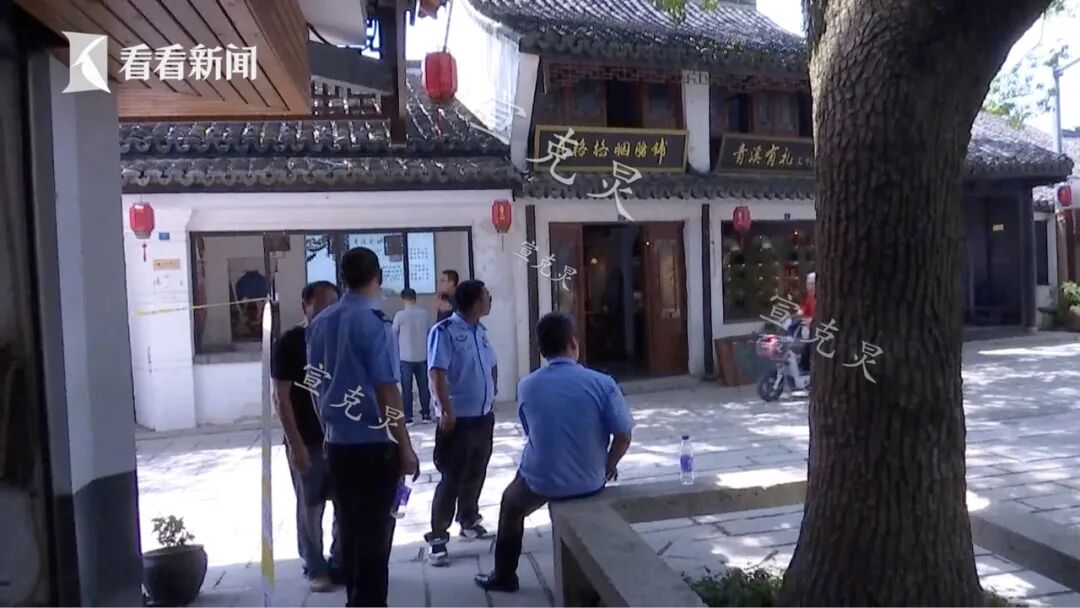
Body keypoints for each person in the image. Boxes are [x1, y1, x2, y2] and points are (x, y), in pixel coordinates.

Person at [475, 312, 633, 592]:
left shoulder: (527, 386)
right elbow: (623, 436)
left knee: (511, 505)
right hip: (589, 480)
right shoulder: (603, 383)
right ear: (573, 343)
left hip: (541, 480)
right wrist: (608, 466)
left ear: (542, 349)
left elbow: (531, 432)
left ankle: (504, 576)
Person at [306, 247, 420, 607]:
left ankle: (355, 599)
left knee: (350, 528)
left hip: (338, 445)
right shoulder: (374, 323)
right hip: (373, 446)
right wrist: (405, 447)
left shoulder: (320, 323)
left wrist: (327, 431)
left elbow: (314, 385)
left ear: (342, 279)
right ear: (378, 277)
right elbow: (387, 390)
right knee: (374, 535)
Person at [272, 281, 342, 592]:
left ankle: (340, 561)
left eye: (334, 305)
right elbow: (281, 398)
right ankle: (315, 566)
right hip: (308, 439)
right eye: (323, 305)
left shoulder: (341, 340)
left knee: (345, 503)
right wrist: (295, 443)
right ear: (306, 306)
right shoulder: (289, 344)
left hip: (340, 438)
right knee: (310, 507)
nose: (329, 311)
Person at [424, 279, 498, 566]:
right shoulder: (445, 332)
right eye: (486, 296)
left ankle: (468, 520)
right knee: (452, 477)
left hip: (483, 416)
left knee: (477, 470)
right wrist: (445, 411)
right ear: (474, 302)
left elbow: (491, 364)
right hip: (458, 419)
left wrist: (492, 393)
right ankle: (438, 538)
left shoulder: (481, 331)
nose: (490, 300)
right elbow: (437, 373)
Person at [392, 288, 433, 424]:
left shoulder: (400, 315)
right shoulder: (424, 314)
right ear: (415, 298)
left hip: (405, 356)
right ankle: (426, 414)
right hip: (422, 355)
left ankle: (408, 417)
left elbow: (393, 333)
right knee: (423, 386)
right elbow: (429, 332)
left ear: (403, 299)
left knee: (406, 388)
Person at [799, 272, 817, 373]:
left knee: (807, 347)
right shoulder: (809, 298)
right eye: (808, 284)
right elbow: (804, 309)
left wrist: (812, 319)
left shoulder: (820, 298)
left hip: (816, 329)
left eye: (811, 284)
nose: (809, 286)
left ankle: (806, 368)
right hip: (807, 327)